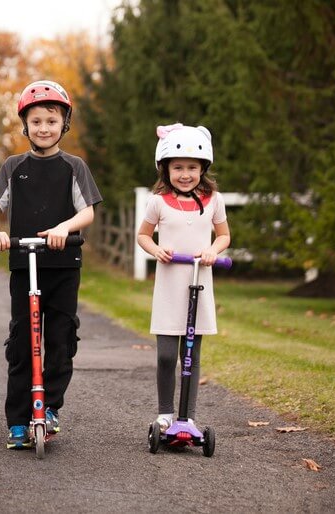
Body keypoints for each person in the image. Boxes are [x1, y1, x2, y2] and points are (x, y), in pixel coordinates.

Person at [0, 80, 102, 449]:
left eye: (51, 120)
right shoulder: (13, 166)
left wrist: (64, 228)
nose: (44, 128)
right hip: (24, 263)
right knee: (22, 341)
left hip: (64, 264)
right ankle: (18, 420)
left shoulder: (73, 166)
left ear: (63, 123)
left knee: (60, 340)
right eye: (36, 121)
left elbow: (88, 212)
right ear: (25, 126)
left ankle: (48, 407)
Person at [136, 123, 231, 432]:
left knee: (191, 354)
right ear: (166, 169)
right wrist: (157, 249)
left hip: (199, 282)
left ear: (203, 168)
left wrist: (212, 251)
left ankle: (187, 416)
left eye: (192, 167)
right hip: (170, 284)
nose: (186, 174)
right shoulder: (158, 202)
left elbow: (224, 236)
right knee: (166, 355)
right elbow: (143, 236)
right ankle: (165, 412)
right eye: (178, 167)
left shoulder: (214, 199)